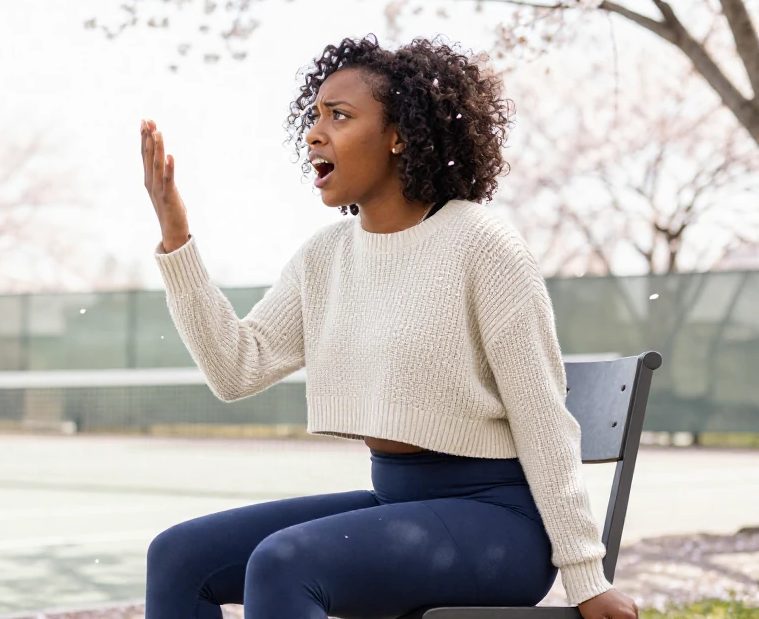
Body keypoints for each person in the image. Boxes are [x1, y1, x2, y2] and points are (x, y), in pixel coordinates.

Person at [138, 35, 639, 619]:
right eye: (315, 115)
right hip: (398, 502)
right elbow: (236, 368)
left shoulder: (482, 244)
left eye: (340, 116)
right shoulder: (324, 257)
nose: (314, 133)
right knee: (177, 557)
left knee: (283, 563)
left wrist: (586, 576)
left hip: (500, 526)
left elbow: (544, 418)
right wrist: (177, 239)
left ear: (401, 134)